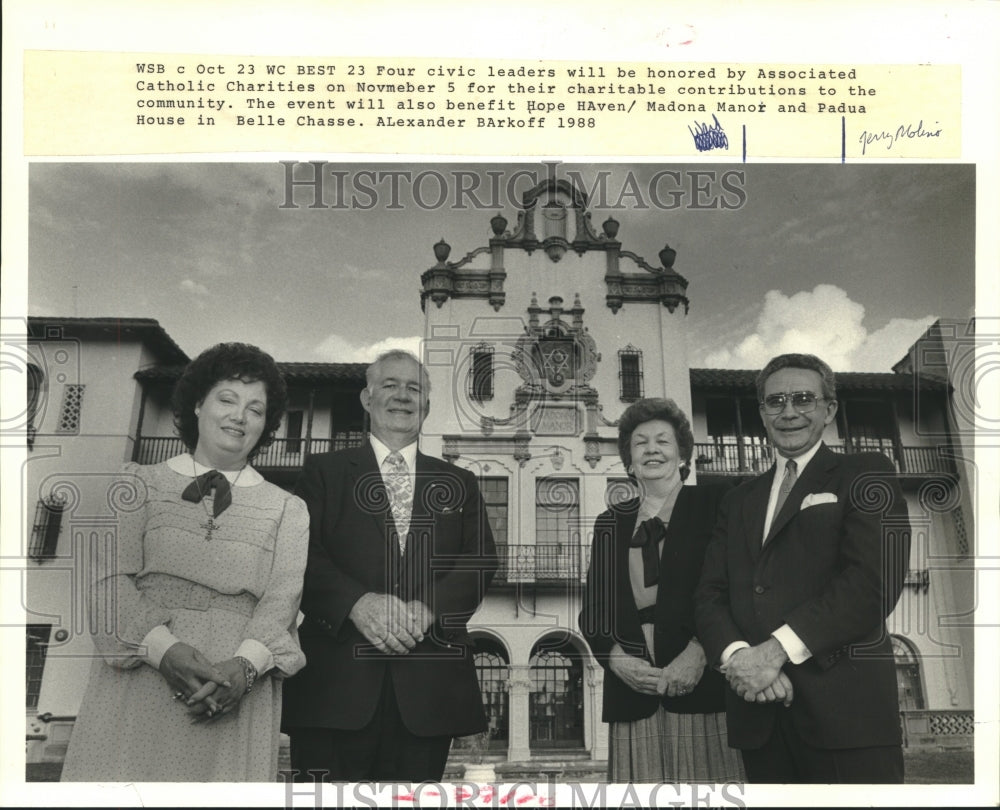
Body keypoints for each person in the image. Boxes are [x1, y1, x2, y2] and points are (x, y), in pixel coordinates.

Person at [61, 343, 309, 782]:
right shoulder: (136, 484)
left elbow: (282, 601)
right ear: (197, 404)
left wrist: (244, 670)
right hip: (141, 679)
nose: (239, 416)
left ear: (265, 425)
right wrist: (165, 652)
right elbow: (106, 582)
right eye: (227, 399)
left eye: (255, 409)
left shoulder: (288, 508)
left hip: (233, 689)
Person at [282, 349, 497, 782]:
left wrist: (426, 611)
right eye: (390, 385)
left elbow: (480, 561)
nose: (402, 396)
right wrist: (357, 604)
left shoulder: (460, 482)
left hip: (427, 693)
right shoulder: (323, 472)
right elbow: (299, 552)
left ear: (427, 406)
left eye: (414, 388)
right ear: (366, 398)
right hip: (334, 689)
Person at [695, 353, 910, 783]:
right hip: (759, 716)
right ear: (761, 413)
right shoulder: (738, 499)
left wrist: (772, 654)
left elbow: (872, 583)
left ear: (829, 409)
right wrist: (742, 660)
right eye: (775, 401)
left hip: (847, 718)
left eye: (803, 398)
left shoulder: (866, 473)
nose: (788, 411)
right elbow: (709, 595)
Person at [579, 398, 745, 783]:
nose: (651, 449)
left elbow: (737, 585)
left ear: (683, 454)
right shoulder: (609, 524)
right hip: (632, 695)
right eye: (640, 443)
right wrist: (617, 661)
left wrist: (701, 652)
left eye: (663, 441)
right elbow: (593, 610)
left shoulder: (718, 502)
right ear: (629, 460)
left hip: (704, 690)